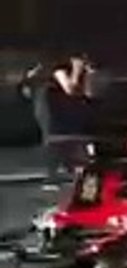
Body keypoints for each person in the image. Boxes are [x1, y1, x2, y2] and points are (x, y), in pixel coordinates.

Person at [26, 53, 95, 185]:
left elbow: (85, 94)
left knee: (69, 140)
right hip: (52, 107)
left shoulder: (79, 72)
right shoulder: (59, 71)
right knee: (55, 139)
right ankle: (53, 173)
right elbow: (70, 89)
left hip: (66, 109)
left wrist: (87, 76)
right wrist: (76, 71)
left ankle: (69, 169)